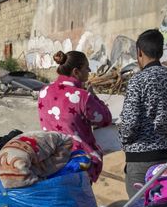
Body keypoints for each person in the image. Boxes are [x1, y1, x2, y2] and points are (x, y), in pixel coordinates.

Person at [119, 29, 167, 197]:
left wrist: (125, 140)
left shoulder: (137, 81)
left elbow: (129, 123)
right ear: (160, 52)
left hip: (139, 160)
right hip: (165, 158)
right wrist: (164, 135)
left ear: (139, 52)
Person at [38, 50, 112, 182]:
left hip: (51, 161)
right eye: (86, 68)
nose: (89, 71)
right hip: (78, 162)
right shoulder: (82, 96)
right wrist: (94, 97)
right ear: (76, 72)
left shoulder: (44, 91)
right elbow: (105, 119)